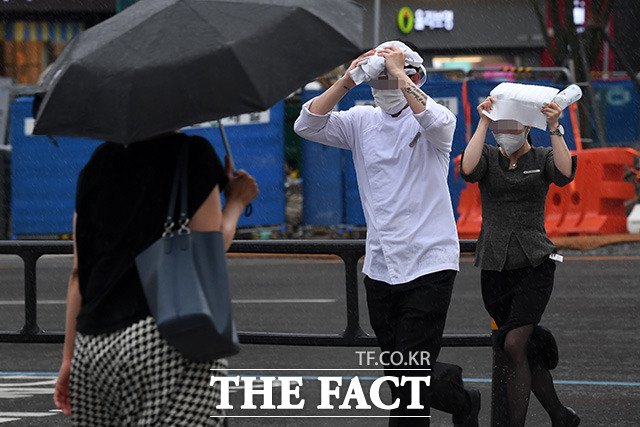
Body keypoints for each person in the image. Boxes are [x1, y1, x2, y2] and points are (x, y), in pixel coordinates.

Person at [294, 41, 480, 426]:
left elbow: (437, 121)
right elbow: (306, 124)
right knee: (400, 379)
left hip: (429, 263)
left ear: (414, 77)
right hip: (380, 267)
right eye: (376, 79)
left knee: (408, 386)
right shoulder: (362, 121)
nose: (383, 86)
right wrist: (348, 78)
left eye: (390, 78)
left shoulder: (433, 120)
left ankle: (450, 393)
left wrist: (398, 73)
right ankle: (459, 398)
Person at [53, 132, 259, 426]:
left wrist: (69, 359)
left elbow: (78, 272)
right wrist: (237, 201)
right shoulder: (190, 154)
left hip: (92, 345)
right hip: (166, 334)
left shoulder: (96, 164)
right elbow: (210, 246)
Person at [460, 95, 580, 427]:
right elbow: (467, 170)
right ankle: (560, 415)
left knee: (513, 344)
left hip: (536, 263)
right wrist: (484, 121)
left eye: (511, 126)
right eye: (499, 127)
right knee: (521, 350)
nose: (504, 133)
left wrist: (555, 127)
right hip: (494, 264)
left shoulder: (541, 157)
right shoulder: (486, 156)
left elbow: (565, 173)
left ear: (527, 127)